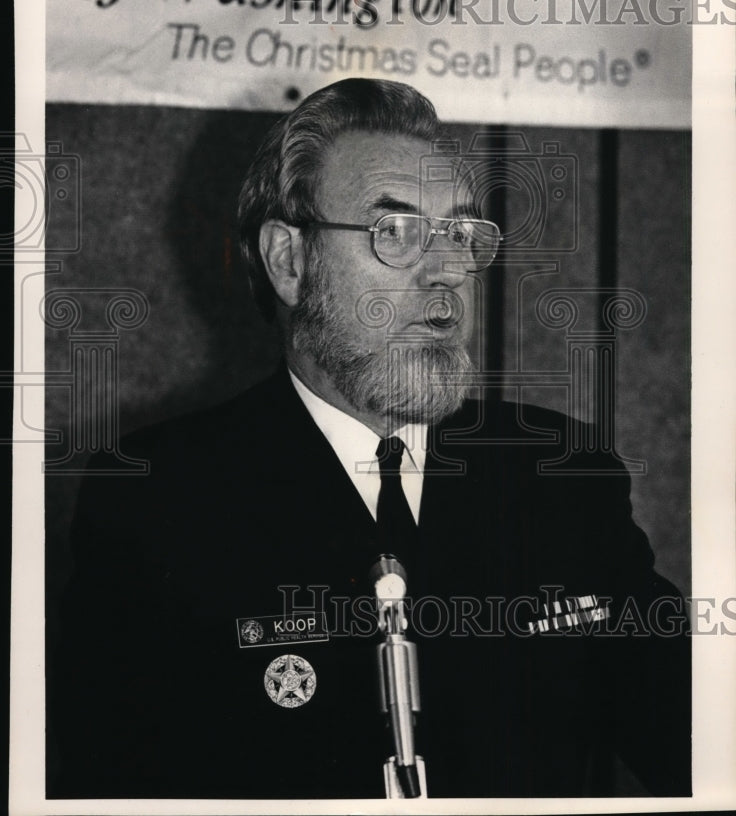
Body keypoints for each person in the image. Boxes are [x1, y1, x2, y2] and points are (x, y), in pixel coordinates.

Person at [49, 78, 690, 800]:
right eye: (396, 232)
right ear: (290, 262)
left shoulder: (561, 475)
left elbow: (698, 740)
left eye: (461, 234)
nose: (449, 270)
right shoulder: (160, 499)